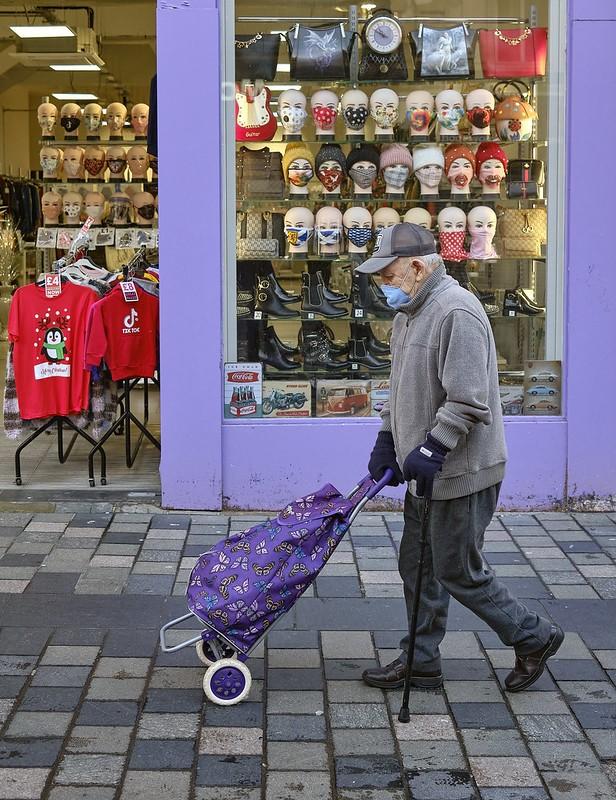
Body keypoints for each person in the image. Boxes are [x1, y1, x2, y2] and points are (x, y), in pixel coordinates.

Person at [359, 222, 563, 693]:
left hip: (462, 471)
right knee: (417, 564)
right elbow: (399, 389)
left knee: (455, 569)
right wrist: (388, 439)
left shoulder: (458, 312)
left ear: (415, 266)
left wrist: (433, 446)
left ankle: (534, 635)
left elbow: (469, 399)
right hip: (425, 471)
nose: (383, 286)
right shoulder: (409, 312)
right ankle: (421, 661)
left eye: (388, 276)